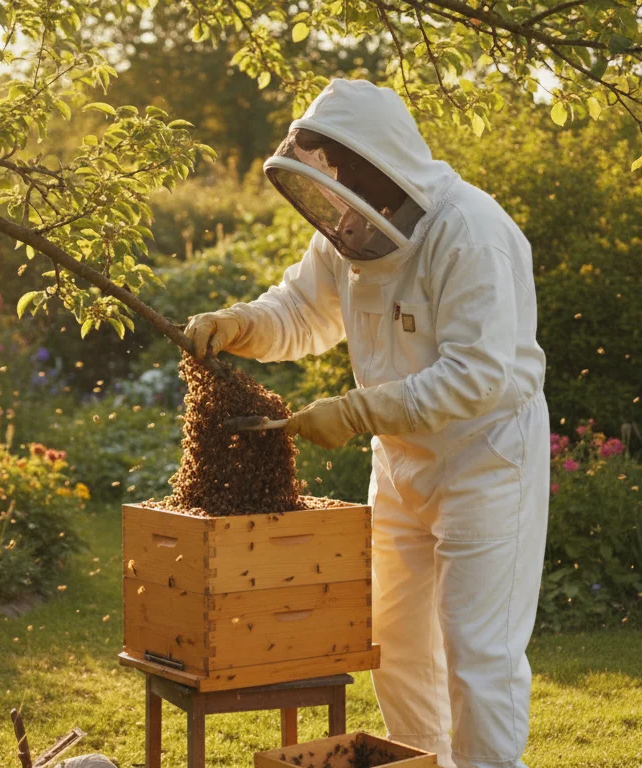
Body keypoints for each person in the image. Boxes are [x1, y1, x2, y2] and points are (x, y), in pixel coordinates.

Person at [184, 79, 549, 768]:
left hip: (487, 459)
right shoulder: (350, 233)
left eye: (347, 173)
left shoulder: (471, 234)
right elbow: (299, 312)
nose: (339, 197)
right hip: (401, 463)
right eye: (332, 175)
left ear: (380, 164)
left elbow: (479, 374)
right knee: (396, 643)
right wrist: (240, 325)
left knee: (479, 651)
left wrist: (356, 411)